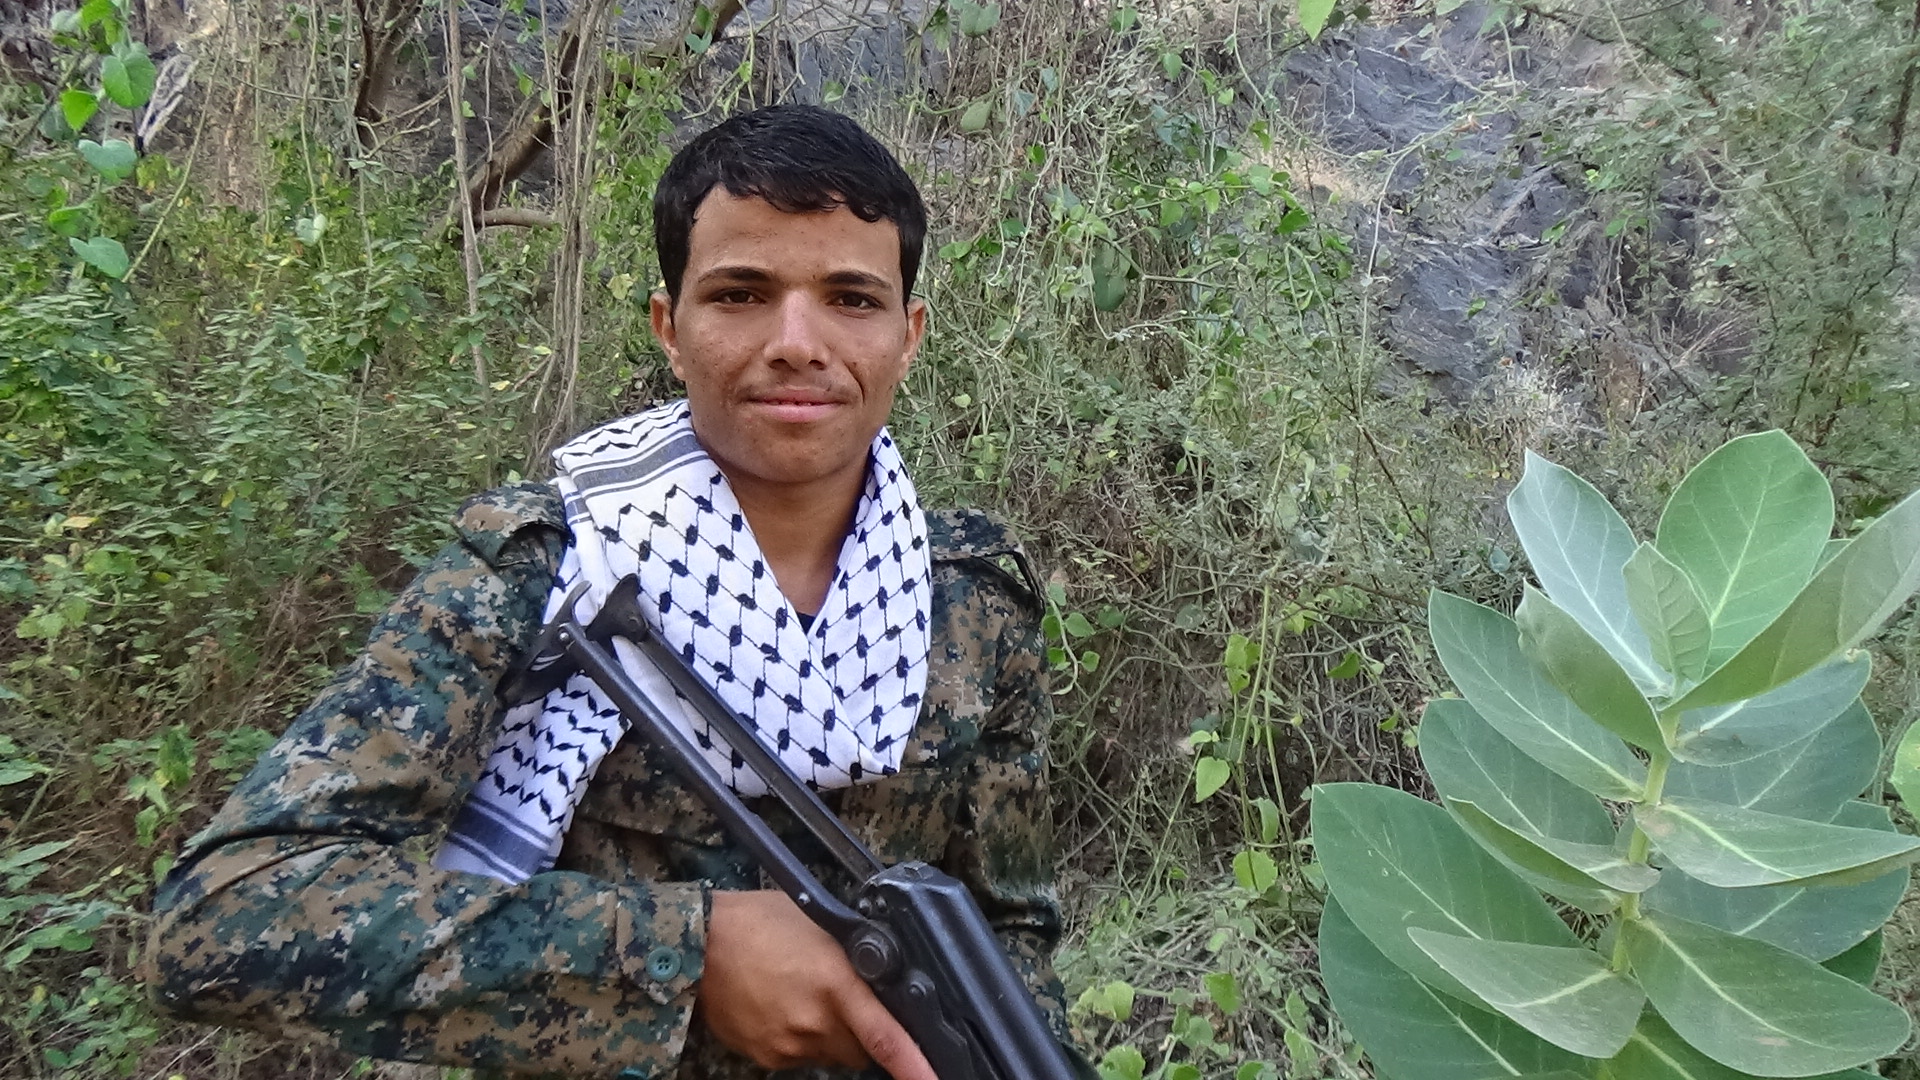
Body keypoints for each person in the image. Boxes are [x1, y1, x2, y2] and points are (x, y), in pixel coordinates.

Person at [146, 104, 1076, 1079]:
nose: (798, 342)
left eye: (851, 298)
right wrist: (680, 954)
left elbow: (1009, 929)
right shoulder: (541, 570)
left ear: (908, 335)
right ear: (671, 329)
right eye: (741, 294)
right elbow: (223, 915)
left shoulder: (969, 598)